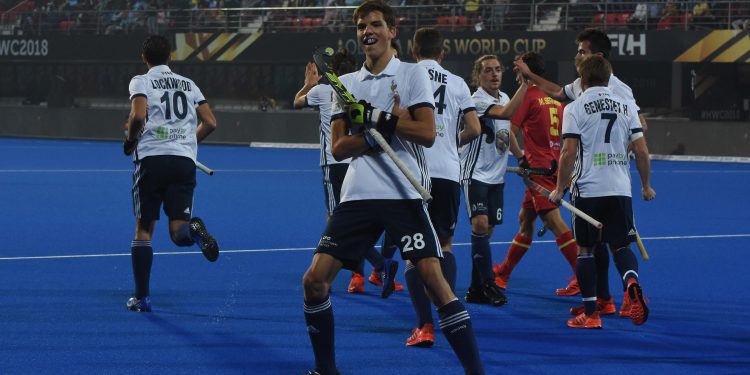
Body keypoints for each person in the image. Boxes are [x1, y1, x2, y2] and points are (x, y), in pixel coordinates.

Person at [302, 2, 484, 374]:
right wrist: (385, 127)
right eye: (361, 26)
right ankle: (325, 369)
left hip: (403, 193)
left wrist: (372, 119)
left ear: (391, 30)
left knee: (436, 283)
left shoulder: (414, 75)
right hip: (357, 195)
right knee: (314, 282)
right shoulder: (347, 84)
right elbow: (339, 147)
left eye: (375, 24)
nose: (367, 31)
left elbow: (427, 133)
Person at [514, 27, 648, 305]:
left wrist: (561, 187)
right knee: (613, 243)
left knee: (591, 245)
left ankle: (599, 305)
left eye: (582, 52)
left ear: (596, 57)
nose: (577, 55)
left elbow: (569, 151)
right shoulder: (586, 84)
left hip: (588, 183)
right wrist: (532, 76)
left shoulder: (619, 89)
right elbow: (557, 91)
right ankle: (611, 295)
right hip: (619, 183)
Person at [548, 54, 655, 329]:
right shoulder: (626, 105)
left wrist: (560, 188)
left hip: (588, 189)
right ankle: (630, 283)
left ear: (582, 79)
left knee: (586, 249)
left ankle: (591, 313)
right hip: (620, 189)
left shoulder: (575, 107)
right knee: (621, 245)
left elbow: (568, 153)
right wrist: (645, 186)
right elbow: (642, 151)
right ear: (609, 78)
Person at [293, 48, 404, 296]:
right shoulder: (359, 89)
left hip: (334, 163)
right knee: (353, 218)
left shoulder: (322, 91)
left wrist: (307, 84)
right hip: (357, 162)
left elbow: (297, 102)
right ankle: (358, 276)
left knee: (337, 220)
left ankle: (377, 266)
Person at [123, 35, 219, 313]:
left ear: (144, 57)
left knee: (144, 229)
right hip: (183, 161)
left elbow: (138, 117)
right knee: (179, 232)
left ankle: (142, 298)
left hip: (152, 159)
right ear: (170, 57)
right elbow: (210, 122)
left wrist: (130, 142)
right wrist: (187, 144)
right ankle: (196, 233)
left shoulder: (141, 81)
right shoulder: (189, 84)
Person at [404, 26, 481, 347]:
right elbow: (474, 129)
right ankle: (448, 314)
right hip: (449, 172)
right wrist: (452, 142)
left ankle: (424, 326)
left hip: (412, 172)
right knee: (445, 246)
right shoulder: (459, 83)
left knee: (413, 253)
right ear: (442, 53)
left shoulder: (405, 75)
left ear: (413, 51)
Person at [492, 52, 580, 295]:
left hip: (537, 170)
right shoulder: (554, 99)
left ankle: (583, 277)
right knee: (526, 219)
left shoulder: (527, 97)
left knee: (554, 222)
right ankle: (503, 273)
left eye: (517, 67)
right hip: (556, 168)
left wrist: (520, 158)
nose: (514, 71)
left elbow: (509, 132)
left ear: (526, 71)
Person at [460, 54, 526, 307]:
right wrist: (527, 84)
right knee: (479, 225)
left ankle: (476, 288)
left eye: (498, 69)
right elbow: (506, 113)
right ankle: (487, 284)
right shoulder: (476, 100)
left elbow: (506, 131)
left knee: (486, 231)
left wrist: (520, 157)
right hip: (475, 174)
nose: (495, 74)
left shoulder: (505, 97)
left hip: (496, 177)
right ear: (479, 75)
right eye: (488, 71)